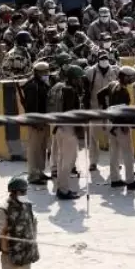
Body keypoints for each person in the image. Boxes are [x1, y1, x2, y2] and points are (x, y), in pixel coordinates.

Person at [47, 65, 84, 201]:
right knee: (68, 161)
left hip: (58, 126)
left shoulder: (59, 87)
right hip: (68, 128)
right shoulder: (70, 91)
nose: (80, 80)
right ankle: (63, 190)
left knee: (62, 159)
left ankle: (61, 188)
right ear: (73, 79)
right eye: (78, 78)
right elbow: (72, 113)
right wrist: (80, 128)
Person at [19, 62, 53, 185]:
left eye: (47, 71)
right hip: (36, 123)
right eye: (44, 72)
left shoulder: (42, 84)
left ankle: (40, 172)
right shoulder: (33, 86)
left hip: (43, 121)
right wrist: (36, 122)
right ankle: (33, 175)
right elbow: (31, 107)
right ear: (37, 73)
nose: (46, 74)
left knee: (41, 148)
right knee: (34, 149)